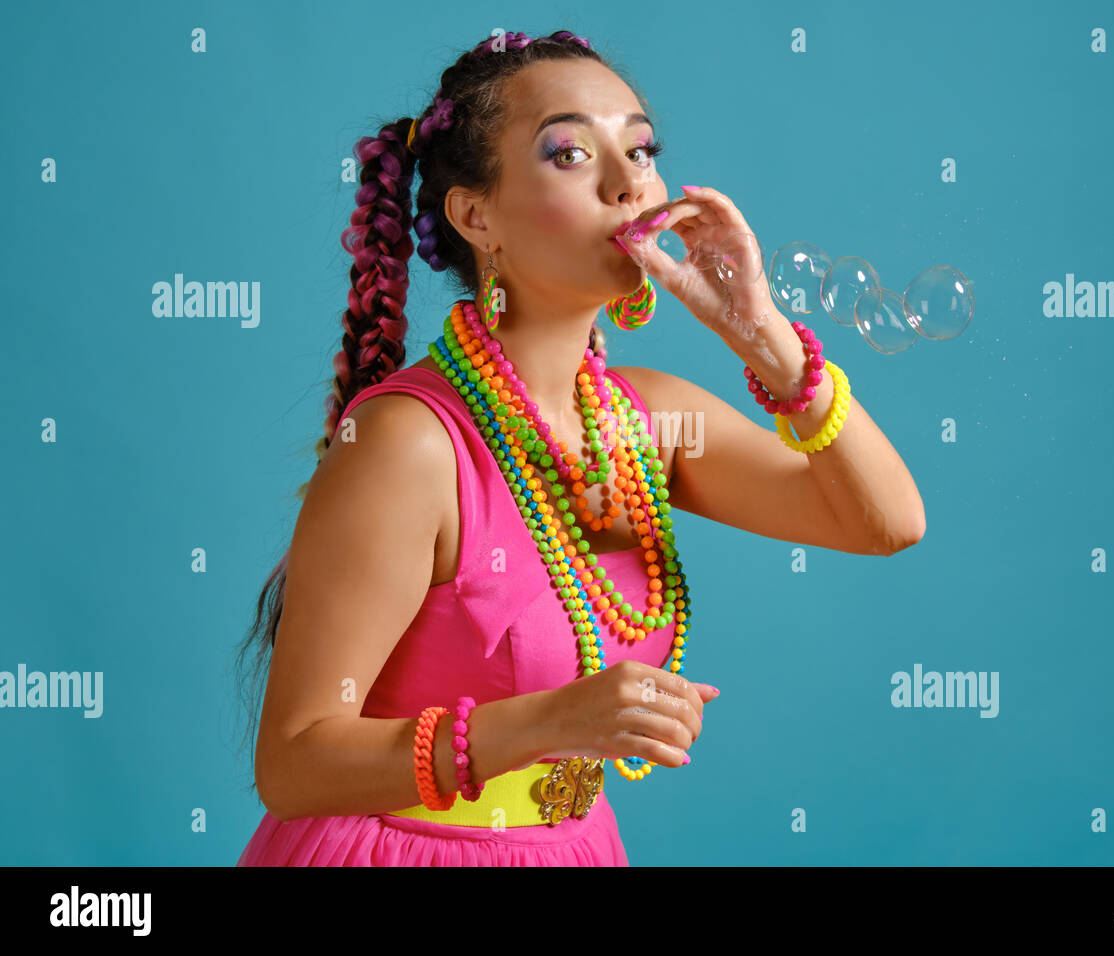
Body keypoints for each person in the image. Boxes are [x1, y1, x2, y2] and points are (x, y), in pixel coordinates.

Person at [233, 29, 925, 866]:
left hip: (574, 847)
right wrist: (554, 722)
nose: (629, 181)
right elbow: (293, 762)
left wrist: (764, 338)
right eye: (569, 152)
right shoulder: (411, 442)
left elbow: (886, 522)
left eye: (640, 147)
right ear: (475, 214)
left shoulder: (652, 421)